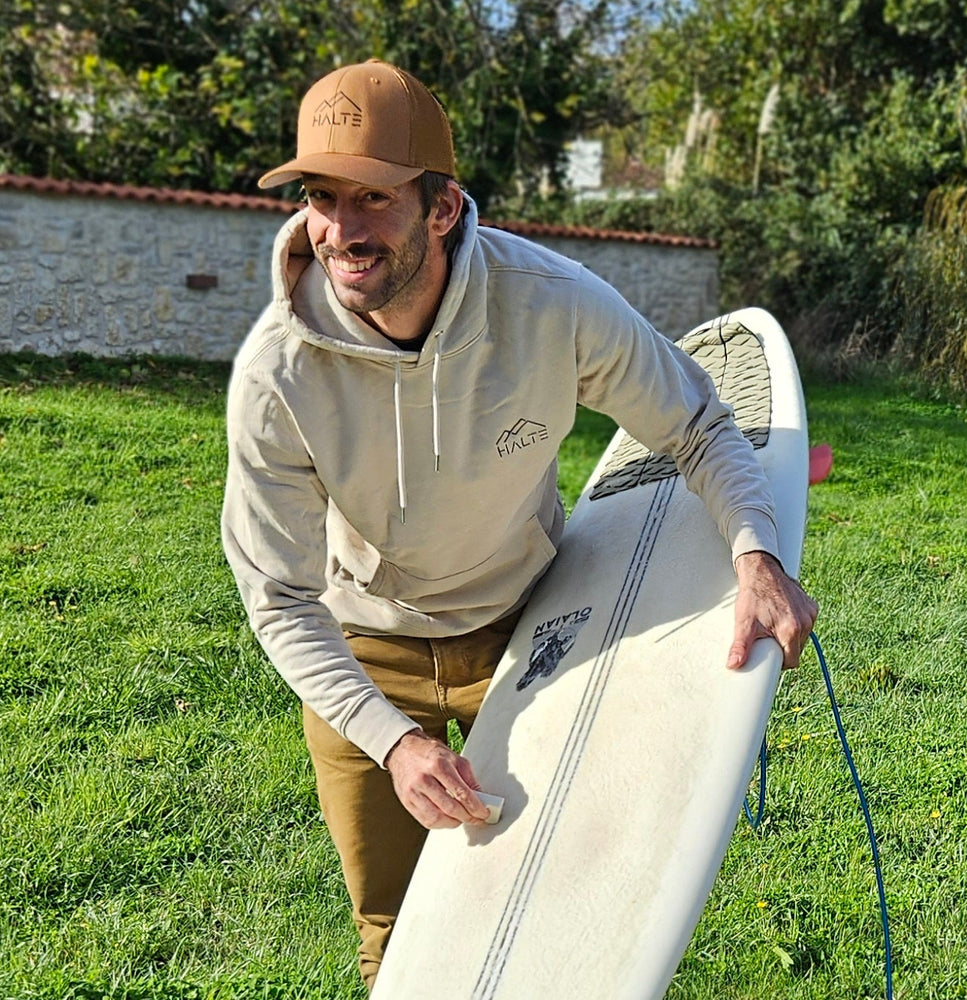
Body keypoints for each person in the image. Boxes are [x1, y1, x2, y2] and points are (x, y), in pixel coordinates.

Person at [221, 58, 818, 991]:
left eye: (374, 198)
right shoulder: (276, 378)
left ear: (443, 206)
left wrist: (755, 550)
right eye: (320, 196)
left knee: (568, 899)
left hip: (532, 627)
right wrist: (393, 741)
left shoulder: (554, 304)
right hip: (364, 649)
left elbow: (698, 421)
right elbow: (281, 596)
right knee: (396, 926)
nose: (340, 230)